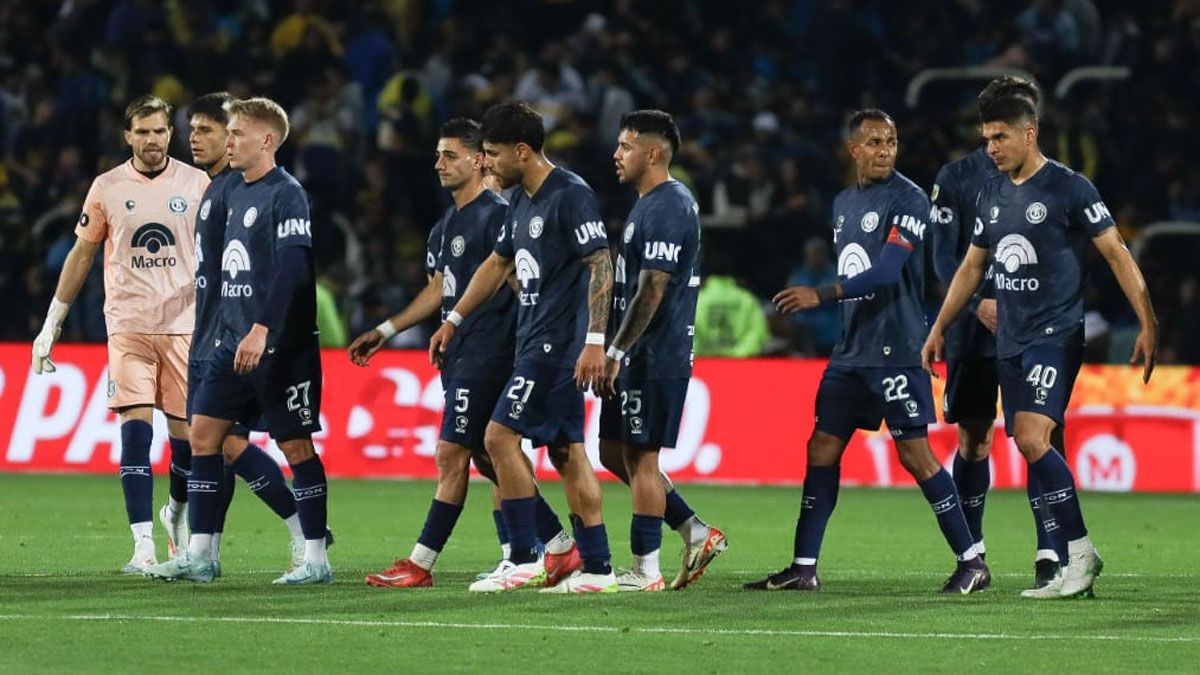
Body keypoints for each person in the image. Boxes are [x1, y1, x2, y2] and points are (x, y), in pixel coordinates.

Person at [923, 82, 1157, 599]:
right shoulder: (989, 192)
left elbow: (1116, 253)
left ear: (1029, 134)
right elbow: (971, 266)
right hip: (1010, 338)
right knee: (1032, 443)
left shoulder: (1070, 188)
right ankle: (1067, 558)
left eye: (1000, 137)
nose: (991, 148)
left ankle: (1077, 552)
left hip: (1055, 334)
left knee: (1032, 437)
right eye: (986, 138)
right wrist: (940, 325)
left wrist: (1148, 320)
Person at [747, 109, 989, 594]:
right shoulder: (842, 203)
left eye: (891, 142)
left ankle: (972, 562)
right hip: (851, 352)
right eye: (875, 142)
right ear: (853, 149)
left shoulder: (909, 199)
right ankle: (803, 567)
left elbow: (885, 272)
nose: (884, 150)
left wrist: (820, 293)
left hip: (896, 349)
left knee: (915, 456)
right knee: (821, 447)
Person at [350, 118, 572, 588]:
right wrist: (386, 329)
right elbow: (439, 289)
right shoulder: (445, 226)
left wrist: (540, 340)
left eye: (450, 155)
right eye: (437, 155)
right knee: (488, 456)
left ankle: (424, 563)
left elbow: (519, 278)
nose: (439, 164)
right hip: (460, 352)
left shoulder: (499, 215)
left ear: (479, 160)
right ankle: (553, 547)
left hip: (492, 351)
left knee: (453, 453)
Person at [429, 100, 616, 593]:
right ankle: (598, 567)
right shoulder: (521, 201)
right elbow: (496, 264)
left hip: (557, 346)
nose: (486, 163)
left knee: (496, 439)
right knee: (567, 452)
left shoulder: (569, 194)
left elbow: (601, 264)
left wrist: (594, 342)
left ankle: (525, 559)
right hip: (534, 341)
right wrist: (454, 319)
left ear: (522, 151)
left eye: (492, 154)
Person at [147, 97, 332, 584]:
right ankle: (201, 556)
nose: (228, 141)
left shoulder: (287, 193)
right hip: (227, 343)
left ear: (266, 140)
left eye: (236, 134)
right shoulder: (226, 190)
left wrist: (263, 328)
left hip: (280, 346)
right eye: (226, 133)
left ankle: (316, 558)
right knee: (204, 437)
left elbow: (294, 267)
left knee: (296, 447)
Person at [32, 95, 208, 574]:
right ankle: (142, 545)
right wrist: (52, 323)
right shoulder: (107, 187)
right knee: (134, 433)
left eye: (160, 131)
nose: (152, 140)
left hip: (184, 327)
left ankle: (175, 513)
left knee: (186, 443)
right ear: (128, 136)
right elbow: (82, 254)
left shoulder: (197, 184)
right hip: (128, 326)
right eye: (143, 132)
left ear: (170, 133)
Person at [931, 76, 1065, 590]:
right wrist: (977, 303)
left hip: (1035, 327)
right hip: (974, 330)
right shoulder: (957, 178)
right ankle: (973, 556)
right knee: (974, 436)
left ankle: (1051, 553)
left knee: (1040, 436)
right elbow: (945, 257)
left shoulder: (1056, 181)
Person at [598, 109, 727, 592]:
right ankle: (695, 531)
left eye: (625, 146)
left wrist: (615, 351)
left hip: (655, 355)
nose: (616, 154)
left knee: (641, 458)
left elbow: (653, 287)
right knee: (612, 452)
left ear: (652, 153)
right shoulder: (646, 204)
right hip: (635, 354)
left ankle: (645, 569)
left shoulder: (671, 204)